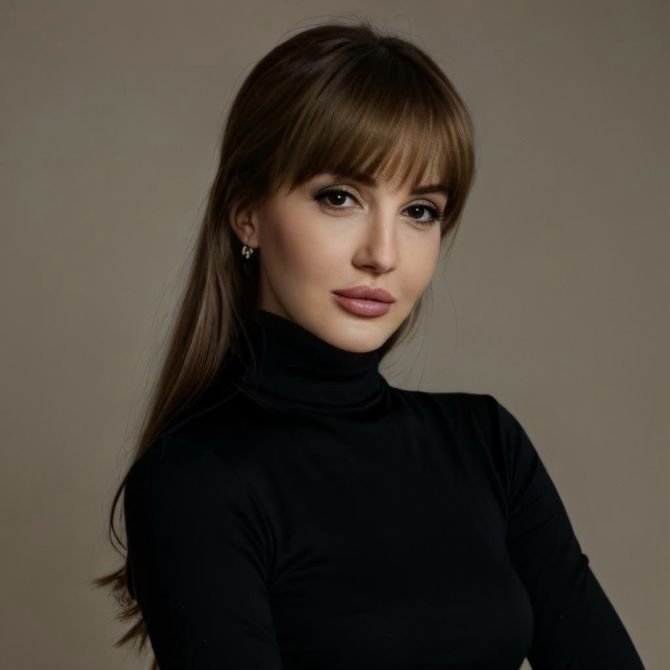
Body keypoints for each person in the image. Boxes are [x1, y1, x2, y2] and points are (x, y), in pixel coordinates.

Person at [94, 18, 645, 670]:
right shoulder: (194, 479)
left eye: (420, 211)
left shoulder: (487, 446)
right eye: (340, 197)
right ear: (248, 214)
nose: (383, 254)